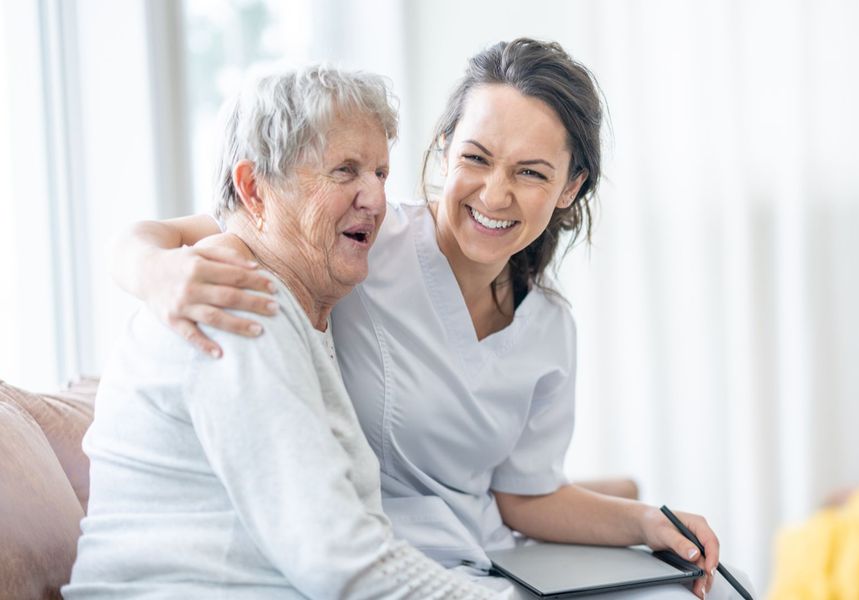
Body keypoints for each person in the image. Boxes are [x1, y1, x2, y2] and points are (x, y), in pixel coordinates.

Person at [112, 39, 752, 599]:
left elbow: (523, 495)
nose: (495, 194)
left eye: (530, 173)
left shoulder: (549, 325)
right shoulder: (356, 237)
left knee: (708, 592)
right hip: (386, 565)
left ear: (568, 189)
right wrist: (154, 272)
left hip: (487, 562)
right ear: (445, 150)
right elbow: (229, 226)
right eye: (476, 158)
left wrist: (645, 523)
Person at [65, 65, 509, 599]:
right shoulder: (236, 297)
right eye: (345, 171)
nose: (375, 199)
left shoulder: (293, 297)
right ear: (255, 190)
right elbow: (339, 560)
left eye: (381, 174)